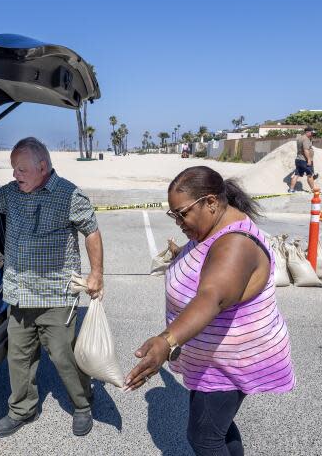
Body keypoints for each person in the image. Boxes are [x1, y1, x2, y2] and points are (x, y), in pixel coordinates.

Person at [125, 166, 295, 455]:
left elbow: (211, 297)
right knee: (219, 427)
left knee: (204, 437)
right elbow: (209, 268)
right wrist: (184, 257)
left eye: (182, 213)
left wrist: (166, 341)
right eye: (173, 215)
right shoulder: (211, 229)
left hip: (232, 362)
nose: (178, 221)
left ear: (212, 203)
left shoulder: (236, 245)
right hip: (212, 358)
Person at [0, 137, 104, 438]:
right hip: (19, 293)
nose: (15, 175)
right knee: (19, 356)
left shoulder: (69, 195)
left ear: (42, 167)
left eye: (21, 169)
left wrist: (96, 273)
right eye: (13, 169)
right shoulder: (12, 193)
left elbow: (91, 232)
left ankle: (83, 405)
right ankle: (22, 409)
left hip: (56, 293)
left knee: (64, 354)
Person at [288, 128, 317, 193]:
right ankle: (314, 190)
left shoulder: (300, 138)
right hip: (305, 160)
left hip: (298, 159)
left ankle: (291, 189)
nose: (313, 134)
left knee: (296, 174)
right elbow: (305, 150)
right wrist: (309, 160)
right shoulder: (306, 139)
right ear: (308, 132)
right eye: (312, 133)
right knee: (310, 175)